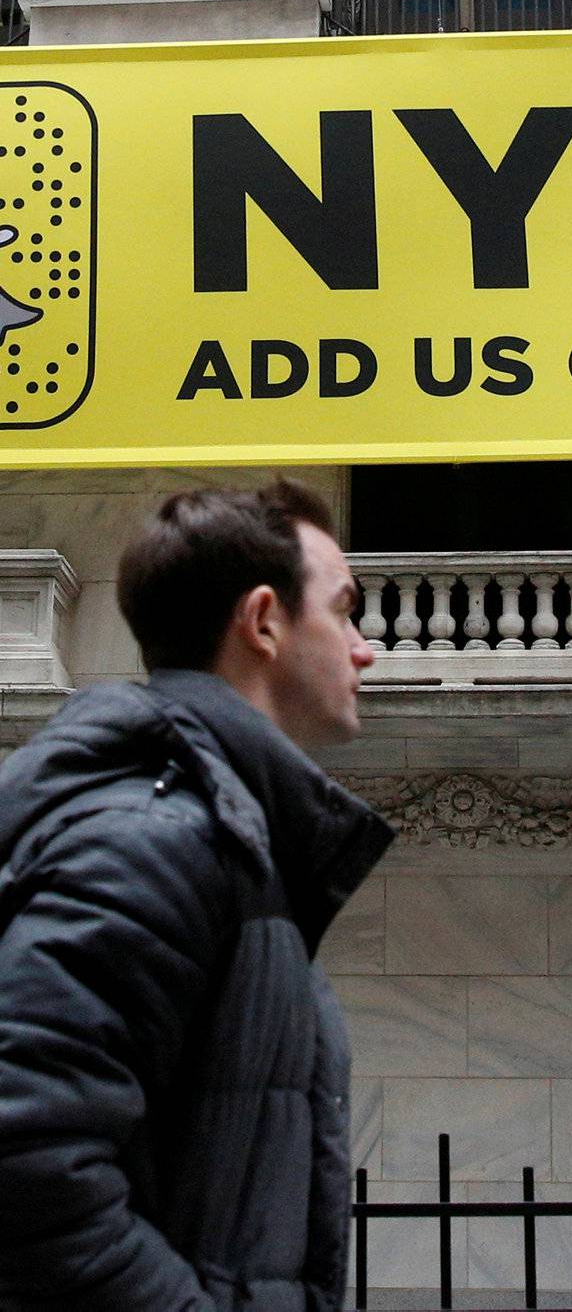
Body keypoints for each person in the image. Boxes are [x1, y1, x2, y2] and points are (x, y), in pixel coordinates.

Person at [0, 481, 388, 1312]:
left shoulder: (217, 835)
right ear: (264, 621)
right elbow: (24, 1149)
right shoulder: (156, 836)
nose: (366, 648)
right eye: (345, 610)